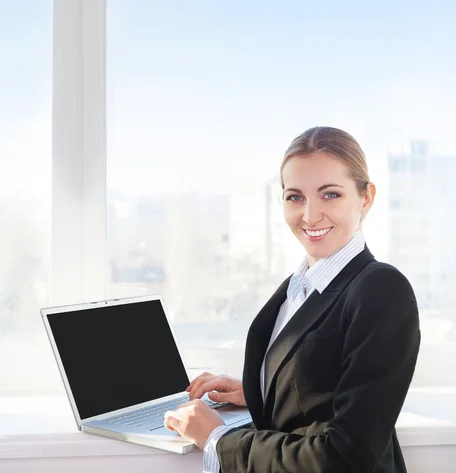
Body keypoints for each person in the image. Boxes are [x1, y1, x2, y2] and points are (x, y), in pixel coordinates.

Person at [164, 126, 421, 473]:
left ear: (366, 198)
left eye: (330, 195)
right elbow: (324, 382)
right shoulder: (297, 287)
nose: (310, 215)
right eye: (295, 196)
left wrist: (217, 439)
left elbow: (347, 456)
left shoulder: (382, 289)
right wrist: (263, 389)